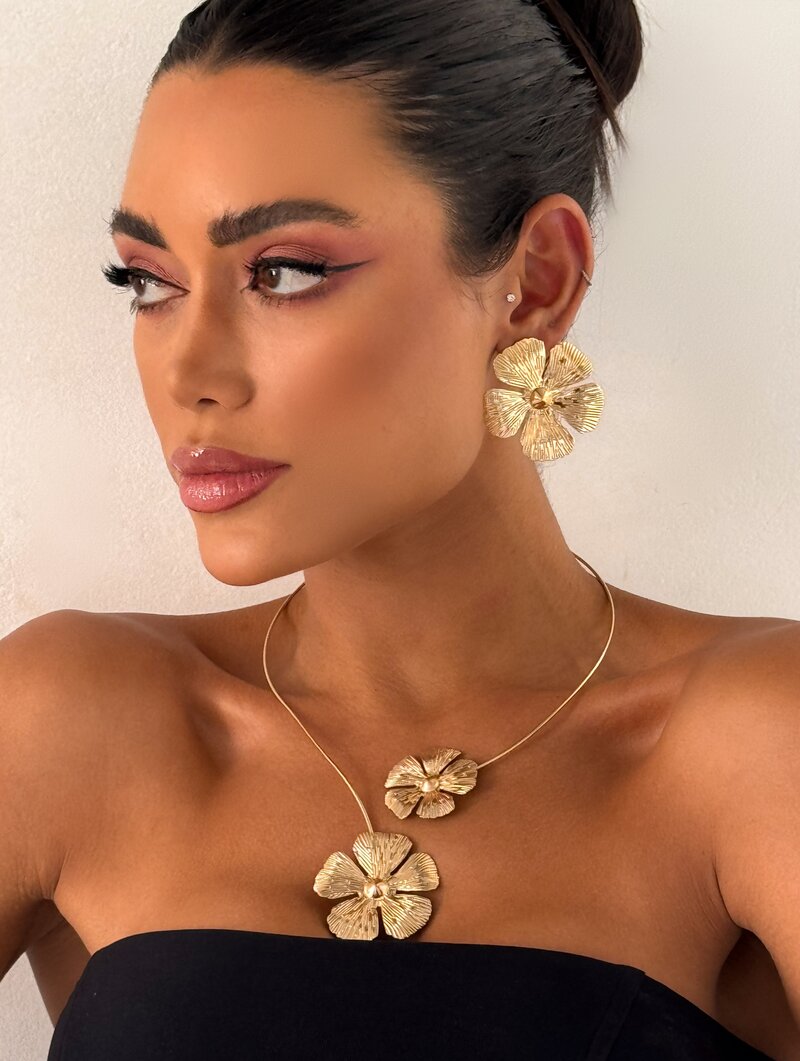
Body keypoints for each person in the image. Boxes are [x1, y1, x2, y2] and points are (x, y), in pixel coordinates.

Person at [1, 0, 798, 1058]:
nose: (189, 372)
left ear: (537, 282)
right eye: (148, 282)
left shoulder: (756, 740)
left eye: (284, 272)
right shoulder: (71, 719)